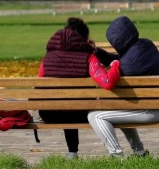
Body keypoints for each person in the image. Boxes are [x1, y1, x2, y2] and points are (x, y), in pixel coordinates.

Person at [38, 17, 120, 159]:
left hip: (49, 113)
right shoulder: (88, 57)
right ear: (83, 39)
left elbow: (39, 84)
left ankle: (72, 152)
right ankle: (117, 151)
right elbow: (106, 82)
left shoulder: (48, 58)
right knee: (73, 104)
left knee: (64, 102)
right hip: (80, 113)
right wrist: (115, 64)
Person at [88, 15, 159, 158]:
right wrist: (98, 52)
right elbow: (121, 60)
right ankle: (140, 153)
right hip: (153, 105)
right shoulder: (147, 44)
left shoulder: (127, 66)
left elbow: (118, 66)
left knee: (95, 116)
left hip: (150, 111)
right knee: (121, 108)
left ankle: (117, 156)